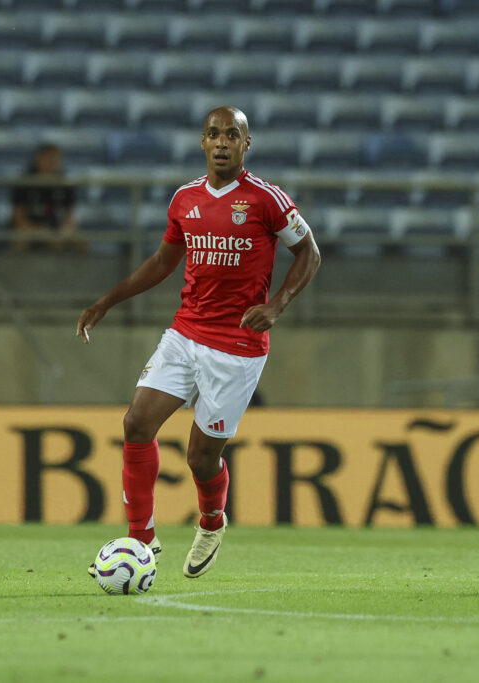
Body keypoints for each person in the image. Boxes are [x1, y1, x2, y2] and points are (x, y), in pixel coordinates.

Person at [77, 106, 321, 579]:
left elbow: (309, 252)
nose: (223, 141)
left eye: (233, 134)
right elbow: (162, 262)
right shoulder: (185, 199)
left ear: (246, 144)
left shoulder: (267, 200)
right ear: (203, 142)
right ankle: (140, 541)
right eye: (214, 134)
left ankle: (211, 520)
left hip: (237, 347)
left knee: (201, 458)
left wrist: (278, 304)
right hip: (185, 334)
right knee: (136, 423)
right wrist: (108, 301)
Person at [9, 143, 81, 252]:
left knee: (79, 241)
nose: (52, 163)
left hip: (55, 229)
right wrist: (40, 232)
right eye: (48, 158)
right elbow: (18, 219)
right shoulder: (25, 182)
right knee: (19, 239)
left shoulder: (64, 183)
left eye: (55, 159)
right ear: (38, 159)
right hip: (30, 228)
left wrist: (62, 232)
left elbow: (70, 218)